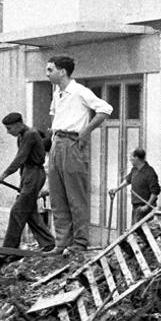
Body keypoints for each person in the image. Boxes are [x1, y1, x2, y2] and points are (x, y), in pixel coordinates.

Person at [45, 55, 113, 255]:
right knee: (57, 197)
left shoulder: (79, 91)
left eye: (50, 70)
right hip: (57, 142)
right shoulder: (58, 93)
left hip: (71, 143)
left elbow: (105, 109)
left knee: (75, 195)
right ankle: (62, 243)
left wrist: (86, 132)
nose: (47, 74)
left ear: (62, 71)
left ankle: (80, 242)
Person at [0, 112, 55, 252]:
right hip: (27, 175)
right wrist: (22, 181)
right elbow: (23, 161)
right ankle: (48, 243)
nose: (8, 132)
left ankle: (9, 248)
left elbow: (20, 158)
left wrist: (4, 175)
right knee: (30, 212)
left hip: (34, 175)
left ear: (18, 124)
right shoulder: (22, 136)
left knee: (17, 210)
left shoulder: (30, 134)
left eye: (9, 128)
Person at [109, 148, 161, 225]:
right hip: (136, 207)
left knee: (144, 232)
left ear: (136, 157)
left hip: (146, 208)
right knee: (136, 231)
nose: (130, 159)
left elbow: (155, 192)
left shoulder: (150, 172)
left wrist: (146, 206)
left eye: (131, 156)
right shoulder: (134, 170)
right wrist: (116, 189)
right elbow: (127, 180)